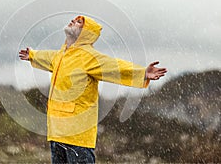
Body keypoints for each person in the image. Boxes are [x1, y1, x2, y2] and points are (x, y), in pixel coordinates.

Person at [19, 15, 167, 163]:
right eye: (74, 20)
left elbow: (114, 66)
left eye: (79, 23)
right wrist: (32, 55)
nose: (73, 21)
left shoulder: (89, 57)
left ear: (86, 34)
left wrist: (143, 73)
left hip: (77, 136)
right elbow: (46, 57)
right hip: (57, 133)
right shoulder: (60, 56)